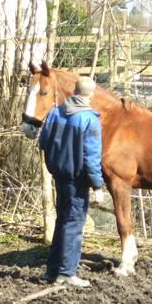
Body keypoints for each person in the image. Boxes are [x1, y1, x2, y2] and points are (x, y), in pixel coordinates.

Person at [38, 76, 105, 288]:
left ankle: (52, 270)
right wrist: (97, 185)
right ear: (91, 94)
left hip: (58, 175)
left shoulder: (55, 113)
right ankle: (67, 272)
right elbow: (91, 157)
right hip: (77, 180)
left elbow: (43, 143)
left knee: (62, 220)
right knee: (74, 223)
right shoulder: (89, 120)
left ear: (74, 91)